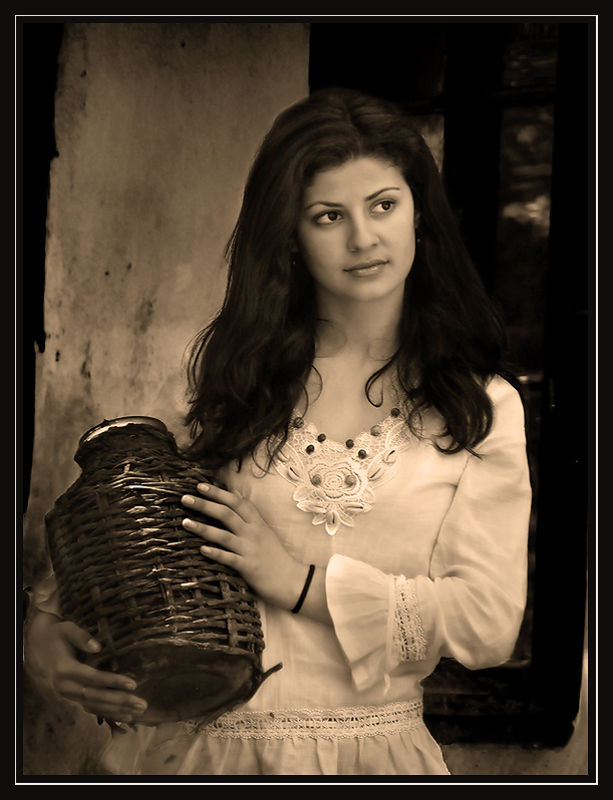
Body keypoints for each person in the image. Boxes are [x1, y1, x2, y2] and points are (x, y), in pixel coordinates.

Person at [24, 87, 532, 776]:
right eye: (329, 216)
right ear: (290, 235)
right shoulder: (222, 377)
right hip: (188, 756)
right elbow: (115, 537)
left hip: (366, 757)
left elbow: (487, 622)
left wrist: (298, 582)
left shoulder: (479, 407)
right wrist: (43, 638)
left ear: (420, 214)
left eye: (383, 205)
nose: (363, 238)